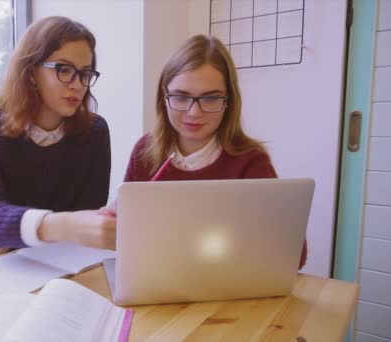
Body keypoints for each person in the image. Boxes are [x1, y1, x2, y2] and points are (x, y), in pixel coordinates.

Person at [109, 34, 307, 269]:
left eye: (211, 98)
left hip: (226, 284)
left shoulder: (251, 162)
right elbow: (126, 234)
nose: (194, 113)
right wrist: (114, 220)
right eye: (181, 97)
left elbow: (295, 256)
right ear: (164, 97)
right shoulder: (145, 151)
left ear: (229, 101)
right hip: (156, 277)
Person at [0, 16, 115, 261]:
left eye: (85, 74)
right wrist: (59, 227)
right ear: (31, 73)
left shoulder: (94, 132)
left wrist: (13, 240)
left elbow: (86, 211)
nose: (77, 85)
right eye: (64, 70)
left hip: (60, 260)